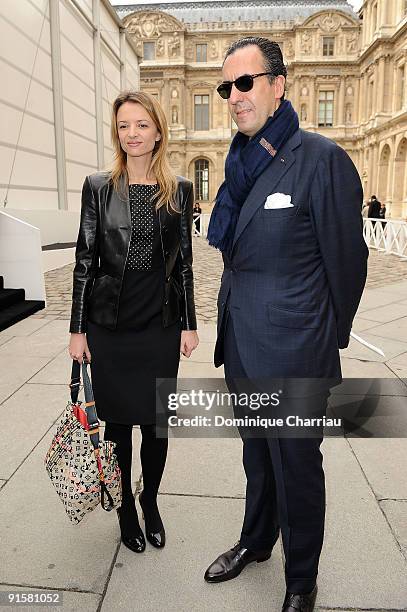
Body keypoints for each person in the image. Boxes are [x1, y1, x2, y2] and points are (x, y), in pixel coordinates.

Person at [205, 37, 368, 612]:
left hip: (297, 354)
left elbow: (347, 267)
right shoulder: (239, 165)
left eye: (245, 83)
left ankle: (301, 580)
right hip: (244, 348)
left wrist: (324, 338)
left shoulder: (321, 160)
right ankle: (256, 541)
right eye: (226, 87)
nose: (233, 97)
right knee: (257, 456)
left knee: (296, 464)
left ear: (278, 85)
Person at [68, 91, 199, 555]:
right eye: (124, 125)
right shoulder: (98, 186)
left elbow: (183, 262)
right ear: (116, 132)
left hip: (160, 325)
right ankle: (125, 507)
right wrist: (77, 328)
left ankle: (151, 501)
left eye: (141, 125)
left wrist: (190, 323)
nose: (132, 134)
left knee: (157, 425)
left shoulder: (179, 189)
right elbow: (86, 259)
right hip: (111, 326)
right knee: (119, 426)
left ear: (158, 132)